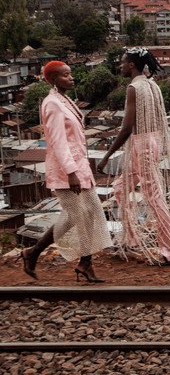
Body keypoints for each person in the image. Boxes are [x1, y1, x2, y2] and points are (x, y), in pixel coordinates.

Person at [21, 62, 112, 282]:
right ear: (53, 79)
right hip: (66, 171)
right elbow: (58, 142)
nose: (71, 78)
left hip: (80, 168)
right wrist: (71, 172)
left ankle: (39, 254)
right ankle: (79, 262)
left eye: (70, 74)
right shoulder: (52, 103)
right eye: (66, 75)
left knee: (88, 213)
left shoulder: (65, 100)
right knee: (79, 216)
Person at [98, 48, 170, 265]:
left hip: (143, 146)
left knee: (154, 198)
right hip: (150, 143)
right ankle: (132, 238)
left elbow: (127, 127)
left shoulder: (134, 87)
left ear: (131, 65)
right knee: (120, 187)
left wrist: (106, 156)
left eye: (122, 62)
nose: (120, 66)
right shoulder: (151, 85)